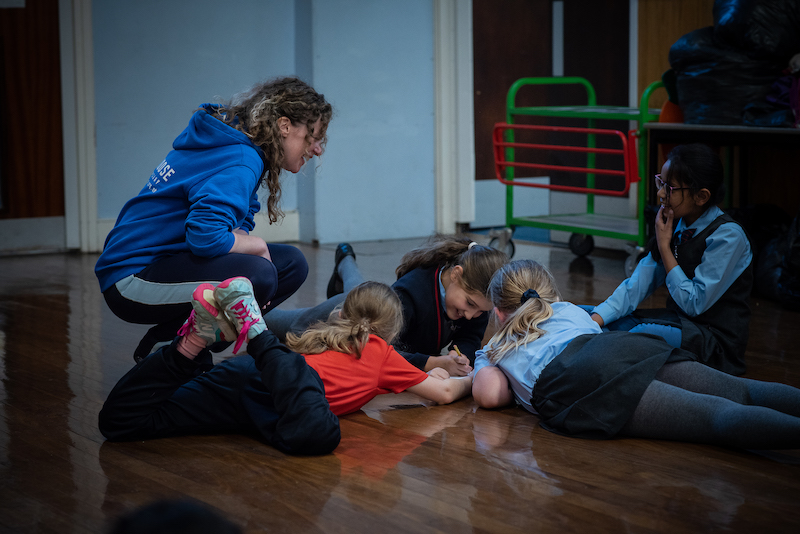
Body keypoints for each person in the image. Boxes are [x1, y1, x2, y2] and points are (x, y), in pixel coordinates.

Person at [94, 77, 333, 363]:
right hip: (130, 280)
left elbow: (236, 219)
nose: (317, 148)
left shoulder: (237, 145)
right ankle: (173, 353)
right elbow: (205, 238)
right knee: (259, 275)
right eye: (313, 136)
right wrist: (256, 246)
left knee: (291, 264)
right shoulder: (241, 160)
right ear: (284, 126)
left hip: (158, 262)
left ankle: (180, 342)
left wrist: (250, 243)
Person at [99, 277, 472, 455]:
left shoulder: (326, 336)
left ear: (343, 315)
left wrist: (424, 374)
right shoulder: (380, 352)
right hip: (283, 392)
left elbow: (365, 384)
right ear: (390, 335)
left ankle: (194, 341)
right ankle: (255, 330)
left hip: (248, 383)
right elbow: (444, 393)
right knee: (320, 435)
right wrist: (477, 376)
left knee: (120, 424)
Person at [472, 260, 800, 450]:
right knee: (742, 390)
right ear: (550, 294)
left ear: (500, 314)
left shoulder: (499, 348)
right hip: (626, 346)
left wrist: (482, 358)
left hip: (580, 379)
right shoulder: (569, 309)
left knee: (717, 417)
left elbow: (489, 395)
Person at [585, 143, 753, 375]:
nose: (661, 193)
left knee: (629, 335)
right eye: (661, 183)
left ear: (701, 196)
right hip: (679, 324)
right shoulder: (676, 223)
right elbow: (636, 286)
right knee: (588, 314)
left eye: (670, 188)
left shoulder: (728, 236)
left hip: (713, 342)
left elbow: (694, 304)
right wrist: (594, 319)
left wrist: (664, 247)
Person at [265, 236, 508, 376]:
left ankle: (345, 261)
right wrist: (431, 362)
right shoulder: (410, 294)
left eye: (480, 312)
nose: (471, 315)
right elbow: (379, 350)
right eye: (470, 305)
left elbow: (469, 338)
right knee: (275, 324)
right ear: (456, 274)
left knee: (357, 289)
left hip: (372, 300)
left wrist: (462, 356)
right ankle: (237, 303)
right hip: (353, 311)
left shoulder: (476, 301)